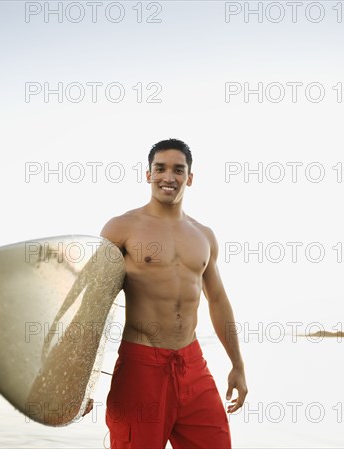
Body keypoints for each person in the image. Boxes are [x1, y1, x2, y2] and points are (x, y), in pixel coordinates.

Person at [97, 138, 248, 448]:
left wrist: (238, 365)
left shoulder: (204, 235)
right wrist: (77, 384)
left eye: (178, 170)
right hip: (141, 367)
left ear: (189, 177)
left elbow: (217, 300)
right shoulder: (121, 228)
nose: (169, 177)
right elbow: (94, 303)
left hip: (192, 363)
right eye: (160, 168)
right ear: (148, 174)